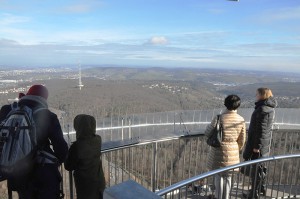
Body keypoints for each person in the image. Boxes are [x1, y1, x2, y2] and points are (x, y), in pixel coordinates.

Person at [1, 85, 68, 199]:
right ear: (43, 99)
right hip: (44, 177)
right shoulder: (47, 116)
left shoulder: (7, 110)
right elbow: (61, 151)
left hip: (19, 175)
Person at [205, 95, 246, 199]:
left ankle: (218, 197)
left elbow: (207, 132)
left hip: (219, 150)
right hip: (233, 151)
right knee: (229, 177)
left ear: (225, 104)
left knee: (218, 176)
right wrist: (236, 149)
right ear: (238, 106)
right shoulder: (241, 120)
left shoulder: (219, 117)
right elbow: (242, 140)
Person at [243, 88, 277, 198]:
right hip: (264, 145)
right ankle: (260, 189)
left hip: (258, 146)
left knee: (256, 170)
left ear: (262, 95)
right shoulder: (267, 108)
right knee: (260, 167)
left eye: (257, 93)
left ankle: (254, 194)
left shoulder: (262, 109)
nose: (255, 95)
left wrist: (257, 146)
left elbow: (261, 130)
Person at [65, 114, 106, 199]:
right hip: (99, 182)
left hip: (85, 187)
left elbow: (68, 166)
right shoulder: (98, 139)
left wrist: (68, 151)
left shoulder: (76, 146)